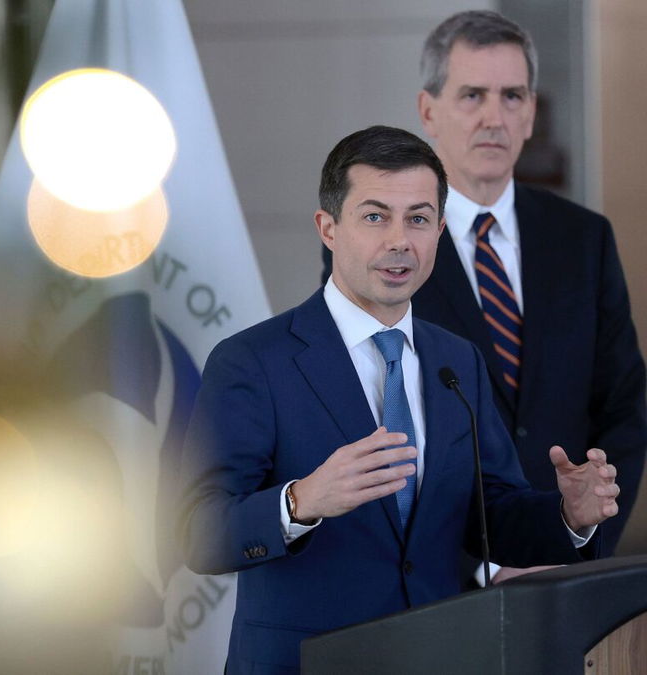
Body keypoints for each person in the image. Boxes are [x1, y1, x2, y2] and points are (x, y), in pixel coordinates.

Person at [181, 125, 620, 674]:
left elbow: (492, 513)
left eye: (417, 219)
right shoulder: (253, 361)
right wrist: (301, 501)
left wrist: (568, 516)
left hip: (440, 655)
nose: (398, 241)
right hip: (302, 663)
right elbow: (196, 533)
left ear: (439, 230)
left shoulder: (457, 361)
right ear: (328, 228)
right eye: (374, 216)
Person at [321, 10, 646, 568]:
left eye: (513, 96)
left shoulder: (584, 238)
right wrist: (486, 562)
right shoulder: (379, 243)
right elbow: (361, 407)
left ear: (531, 114)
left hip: (567, 575)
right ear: (429, 111)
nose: (494, 117)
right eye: (473, 95)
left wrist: (577, 537)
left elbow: (624, 409)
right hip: (437, 582)